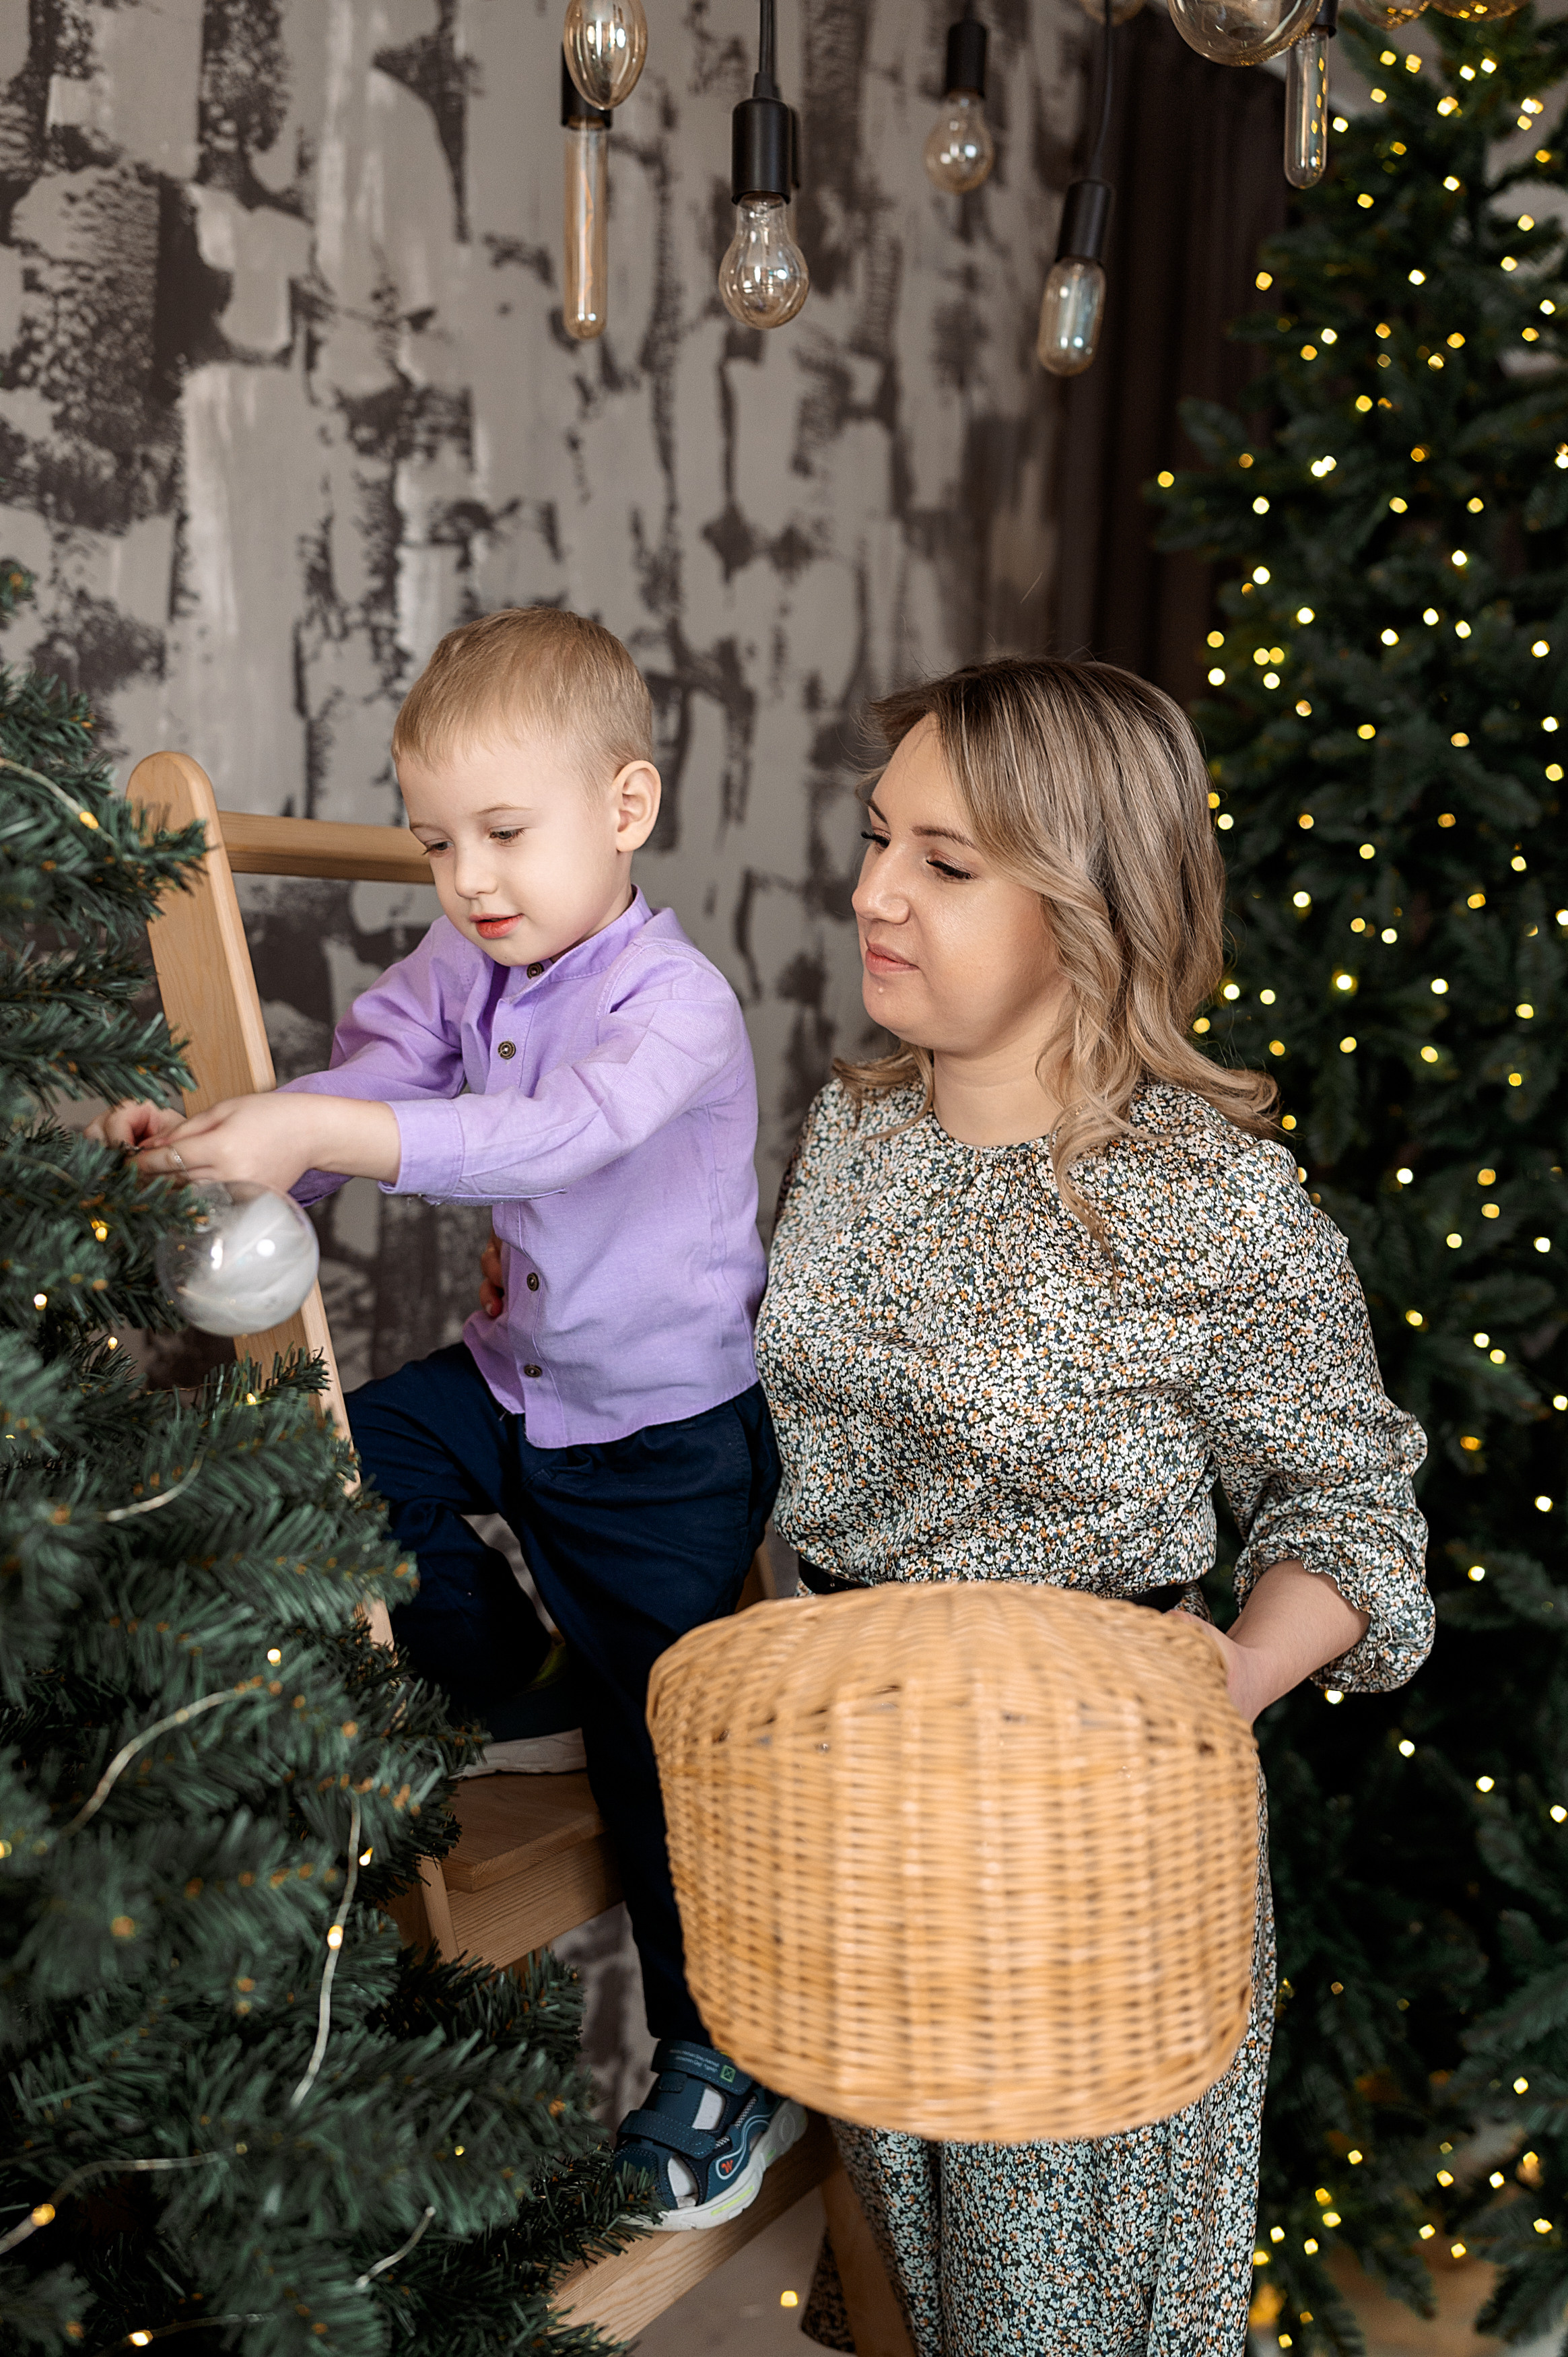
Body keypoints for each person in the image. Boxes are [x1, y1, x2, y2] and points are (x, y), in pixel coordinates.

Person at [88, 605, 805, 2232]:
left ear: (624, 808)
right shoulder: (461, 963)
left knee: (662, 1759)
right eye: (433, 844)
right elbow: (362, 1095)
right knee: (336, 1464)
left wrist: (320, 1132)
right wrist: (223, 1145)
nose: (468, 879)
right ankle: (508, 1672)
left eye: (504, 832)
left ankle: (717, 2061)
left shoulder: (674, 1004)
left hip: (661, 1439)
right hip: (513, 1379)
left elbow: (552, 1135)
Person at [753, 657, 1434, 2355]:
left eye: (943, 861)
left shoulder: (1215, 1204)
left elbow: (1352, 1514)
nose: (874, 890)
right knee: (897, 2301)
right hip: (855, 1819)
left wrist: (1226, 1678)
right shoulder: (852, 1130)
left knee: (1050, 2323)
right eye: (877, 837)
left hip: (1084, 1851)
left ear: (1088, 903)